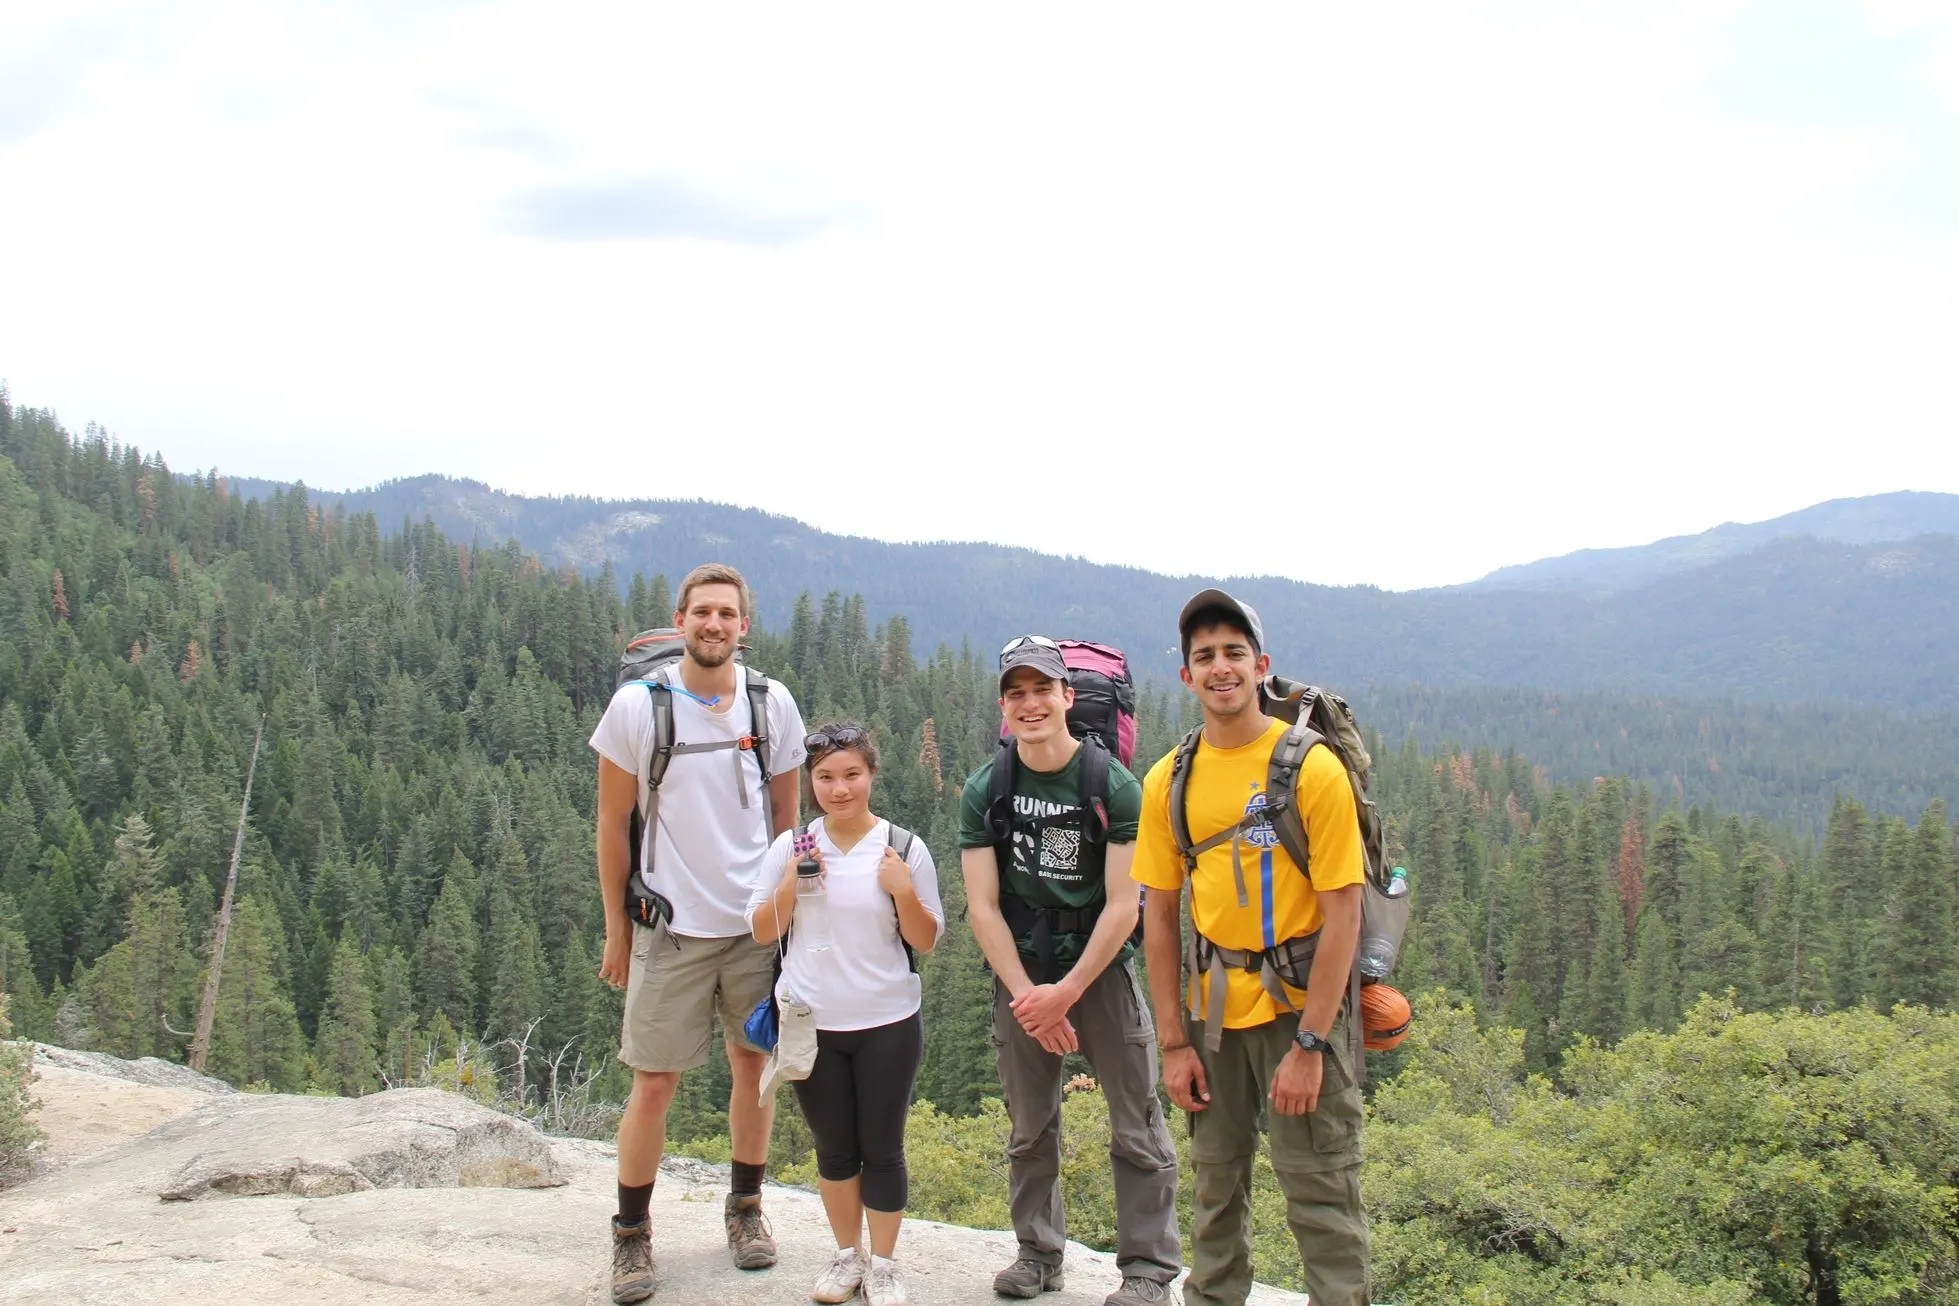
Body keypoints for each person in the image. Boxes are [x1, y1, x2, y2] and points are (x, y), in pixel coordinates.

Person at [1130, 591, 1370, 1306]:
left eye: (1233, 653)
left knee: (1321, 1195)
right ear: (1185, 676)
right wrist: (1172, 1044)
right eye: (1204, 656)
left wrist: (1309, 1044)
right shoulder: (1167, 782)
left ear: (1260, 667)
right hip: (1211, 1023)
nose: (1219, 667)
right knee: (1213, 1191)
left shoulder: (1312, 769)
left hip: (1300, 1013)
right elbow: (1161, 916)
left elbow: (1344, 915)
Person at [590, 563, 808, 1304]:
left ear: (743, 627)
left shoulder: (770, 705)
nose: (714, 624)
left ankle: (746, 1210)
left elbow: (789, 823)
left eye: (727, 614)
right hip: (670, 928)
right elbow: (612, 827)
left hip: (754, 925)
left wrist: (793, 918)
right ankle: (631, 1236)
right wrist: (616, 930)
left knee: (754, 1069)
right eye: (701, 612)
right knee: (653, 1085)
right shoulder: (635, 709)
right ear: (679, 620)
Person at [959, 636, 1182, 1305]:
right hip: (1022, 974)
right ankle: (1037, 1255)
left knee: (1135, 1120)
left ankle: (1147, 1272)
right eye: (1016, 692)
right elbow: (981, 905)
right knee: (1030, 1126)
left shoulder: (1109, 784)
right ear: (1004, 705)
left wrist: (1067, 993)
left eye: (1041, 690)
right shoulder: (988, 786)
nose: (1030, 703)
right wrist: (1031, 997)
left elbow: (1123, 905)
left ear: (1065, 696)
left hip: (1098, 970)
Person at [748, 723, 944, 1306]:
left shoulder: (902, 849)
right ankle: (845, 1257)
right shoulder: (793, 848)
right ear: (812, 782)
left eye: (851, 775)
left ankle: (883, 1264)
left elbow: (927, 939)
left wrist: (903, 891)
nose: (839, 789)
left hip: (887, 1020)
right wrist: (789, 884)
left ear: (871, 776)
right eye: (827, 777)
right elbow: (761, 929)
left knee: (882, 1147)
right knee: (834, 1147)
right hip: (812, 1022)